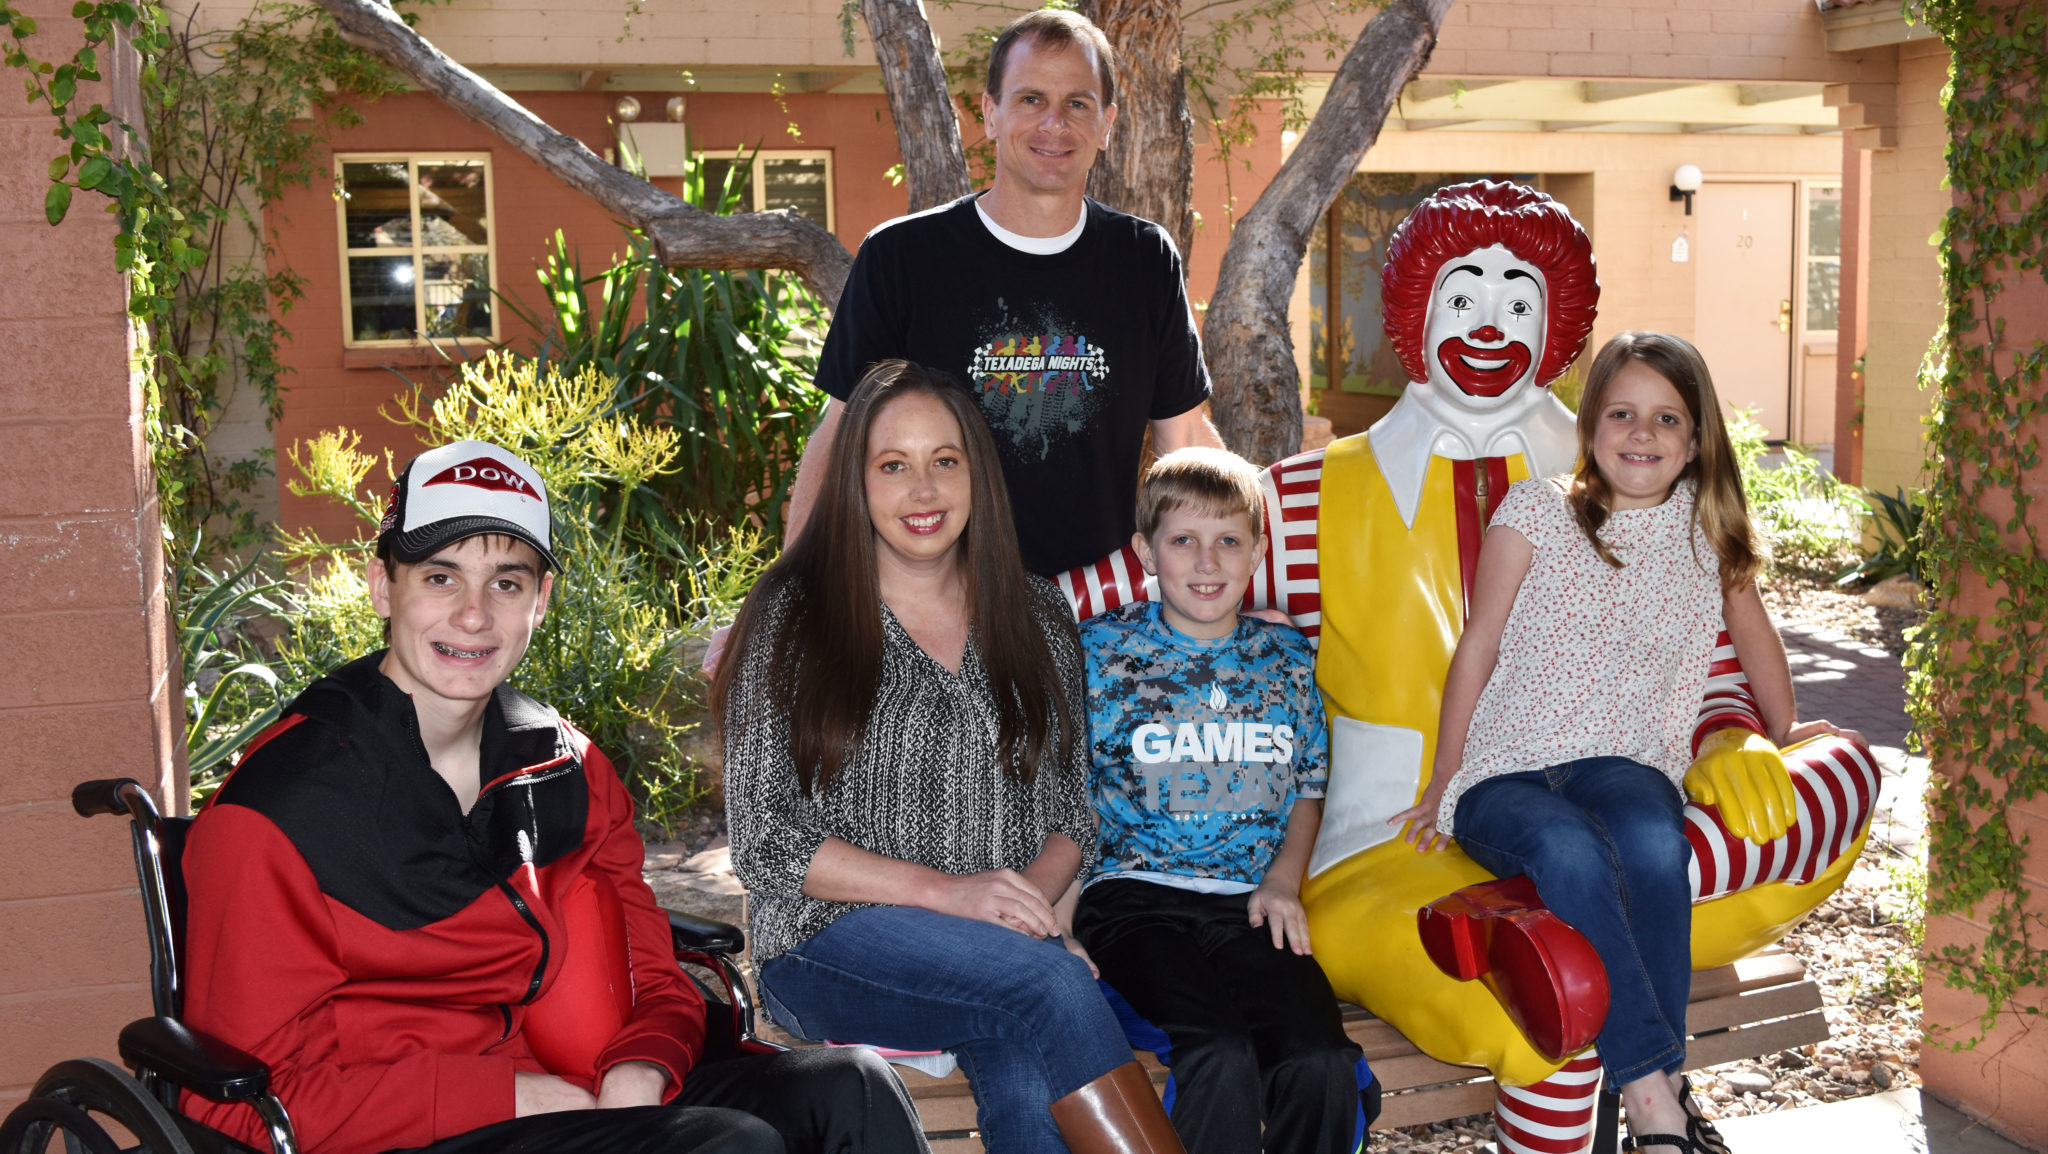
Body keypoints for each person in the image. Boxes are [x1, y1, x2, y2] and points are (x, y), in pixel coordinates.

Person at [1050, 182, 1881, 1154]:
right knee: (1556, 1003)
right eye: (1463, 295)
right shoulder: (1311, 497)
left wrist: (1725, 734)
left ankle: (1575, 911)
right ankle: (1602, 997)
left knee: (1833, 773)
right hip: (1384, 852)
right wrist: (919, 611)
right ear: (1413, 311)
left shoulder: (1628, 493)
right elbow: (1115, 580)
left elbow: (1704, 648)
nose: (1489, 324)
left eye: (1518, 302)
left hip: (1596, 808)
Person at [180, 440, 926, 1154]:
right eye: (440, 577)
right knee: (729, 1145)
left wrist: (647, 1062)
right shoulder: (279, 809)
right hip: (400, 1125)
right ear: (384, 585)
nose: (474, 615)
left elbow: (655, 978)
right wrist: (511, 1095)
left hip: (573, 1092)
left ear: (540, 600)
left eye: (505, 582)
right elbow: (241, 1108)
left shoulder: (565, 767)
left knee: (853, 1085)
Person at [1388, 333, 1861, 1154]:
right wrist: (1445, 778)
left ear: (1695, 439)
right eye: (1622, 413)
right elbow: (1480, 645)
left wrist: (1784, 730)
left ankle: (1652, 1095)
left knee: (1651, 849)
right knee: (1569, 852)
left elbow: (1756, 637)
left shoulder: (1705, 532)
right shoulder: (1536, 511)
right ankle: (1656, 1092)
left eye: (1666, 418)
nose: (1642, 434)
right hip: (1507, 771)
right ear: (1592, 425)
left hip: (1628, 763)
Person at [715, 360, 1184, 1154]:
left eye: (944, 462)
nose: (922, 491)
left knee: (1029, 1057)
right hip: (830, 941)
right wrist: (953, 897)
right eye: (893, 466)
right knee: (1048, 991)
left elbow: (1071, 812)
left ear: (978, 474)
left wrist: (1027, 914)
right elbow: (765, 840)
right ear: (856, 485)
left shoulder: (1036, 613)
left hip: (1004, 960)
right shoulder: (793, 618)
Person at [783, 7, 1220, 578]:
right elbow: (840, 437)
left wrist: (1252, 576)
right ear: (990, 113)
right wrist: (781, 601)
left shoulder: (1143, 259)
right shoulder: (903, 257)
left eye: (1078, 104)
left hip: (1097, 614)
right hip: (937, 615)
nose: (1054, 124)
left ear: (1107, 124)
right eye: (1031, 99)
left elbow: (1185, 440)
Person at [1063, 447, 1368, 1154]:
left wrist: (1284, 883)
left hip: (1248, 906)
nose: (1208, 562)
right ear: (1145, 551)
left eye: (1229, 540)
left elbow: (1307, 787)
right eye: (1183, 541)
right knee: (1218, 1053)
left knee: (1320, 1061)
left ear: (1258, 550)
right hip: (1134, 903)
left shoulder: (1286, 658)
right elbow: (1066, 799)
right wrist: (1061, 928)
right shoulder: (1099, 652)